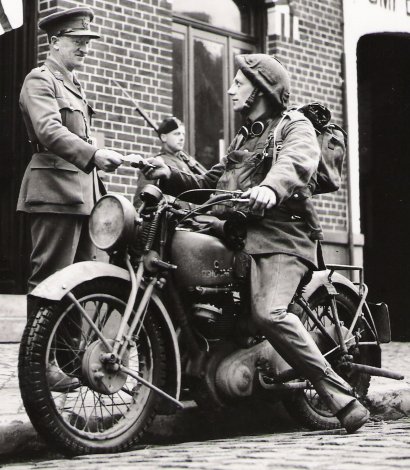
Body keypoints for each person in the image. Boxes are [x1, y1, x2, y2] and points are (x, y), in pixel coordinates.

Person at [139, 53, 370, 433]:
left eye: (238, 83)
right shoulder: (248, 133)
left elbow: (297, 162)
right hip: (240, 234)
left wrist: (270, 189)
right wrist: (169, 175)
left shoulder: (293, 125)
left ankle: (340, 397)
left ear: (261, 89)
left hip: (281, 236)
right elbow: (212, 181)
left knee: (270, 314)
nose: (230, 89)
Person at [17, 7, 123, 390]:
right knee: (50, 278)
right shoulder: (39, 80)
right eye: (77, 42)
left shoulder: (75, 86)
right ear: (54, 42)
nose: (85, 48)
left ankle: (70, 361)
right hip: (54, 193)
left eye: (87, 42)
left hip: (82, 197)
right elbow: (48, 131)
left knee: (80, 283)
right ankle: (39, 366)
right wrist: (93, 154)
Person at [134, 116, 206, 207]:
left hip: (191, 218)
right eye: (177, 134)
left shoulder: (186, 163)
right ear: (164, 137)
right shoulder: (157, 162)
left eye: (183, 134)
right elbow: (141, 200)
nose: (182, 138)